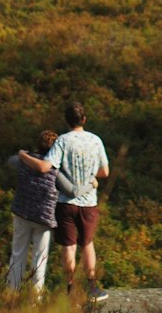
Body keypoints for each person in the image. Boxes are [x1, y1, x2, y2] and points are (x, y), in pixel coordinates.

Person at [18, 101, 109, 302]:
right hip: (89, 202)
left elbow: (44, 167)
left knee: (68, 246)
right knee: (87, 244)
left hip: (65, 203)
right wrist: (90, 179)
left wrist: (23, 156)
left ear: (67, 121)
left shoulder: (62, 142)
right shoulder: (96, 140)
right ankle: (92, 286)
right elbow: (105, 171)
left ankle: (70, 287)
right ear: (84, 119)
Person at [6, 129, 93, 294]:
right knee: (40, 259)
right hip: (44, 219)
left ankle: (12, 294)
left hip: (22, 214)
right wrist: (91, 185)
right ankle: (35, 299)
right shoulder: (55, 170)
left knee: (17, 255)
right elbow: (73, 191)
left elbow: (10, 161)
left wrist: (24, 155)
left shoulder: (24, 161)